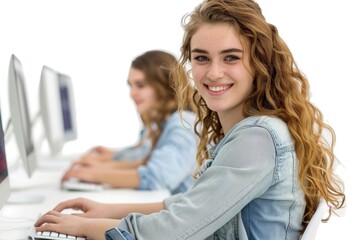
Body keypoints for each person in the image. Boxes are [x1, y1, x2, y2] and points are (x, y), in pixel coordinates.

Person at [34, 0, 346, 239]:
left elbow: (176, 229)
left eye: (231, 57)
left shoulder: (258, 137)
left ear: (260, 62)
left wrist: (87, 227)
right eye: (201, 58)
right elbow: (192, 205)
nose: (213, 72)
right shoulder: (250, 131)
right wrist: (106, 211)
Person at [61, 50, 197, 195]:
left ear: (164, 85)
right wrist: (112, 156)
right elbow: (143, 158)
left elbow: (155, 177)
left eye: (140, 85)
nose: (132, 93)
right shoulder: (162, 123)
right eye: (130, 85)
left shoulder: (184, 125)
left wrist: (95, 174)